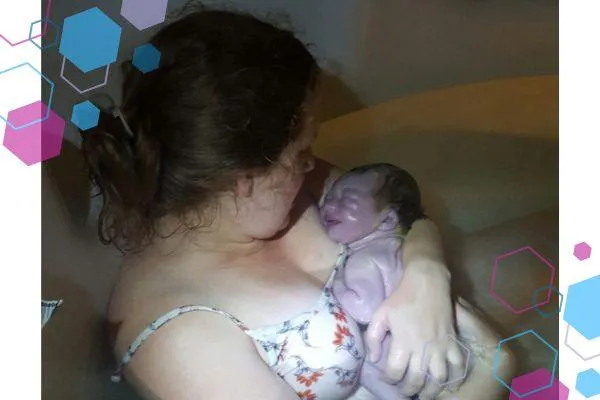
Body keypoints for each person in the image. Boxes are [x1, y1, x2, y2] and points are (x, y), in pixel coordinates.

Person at [81, 7, 513, 400]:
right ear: (244, 177)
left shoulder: (287, 187)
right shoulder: (179, 340)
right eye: (301, 151)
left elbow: (406, 215)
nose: (312, 165)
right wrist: (493, 371)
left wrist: (426, 274)